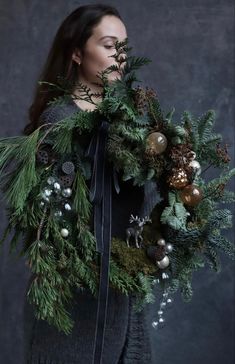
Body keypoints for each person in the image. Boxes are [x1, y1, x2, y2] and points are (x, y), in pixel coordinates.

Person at [23, 4, 157, 364]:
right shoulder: (59, 124)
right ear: (78, 53)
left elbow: (141, 212)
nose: (120, 57)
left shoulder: (133, 125)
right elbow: (47, 217)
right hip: (74, 296)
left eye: (124, 47)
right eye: (110, 45)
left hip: (123, 294)